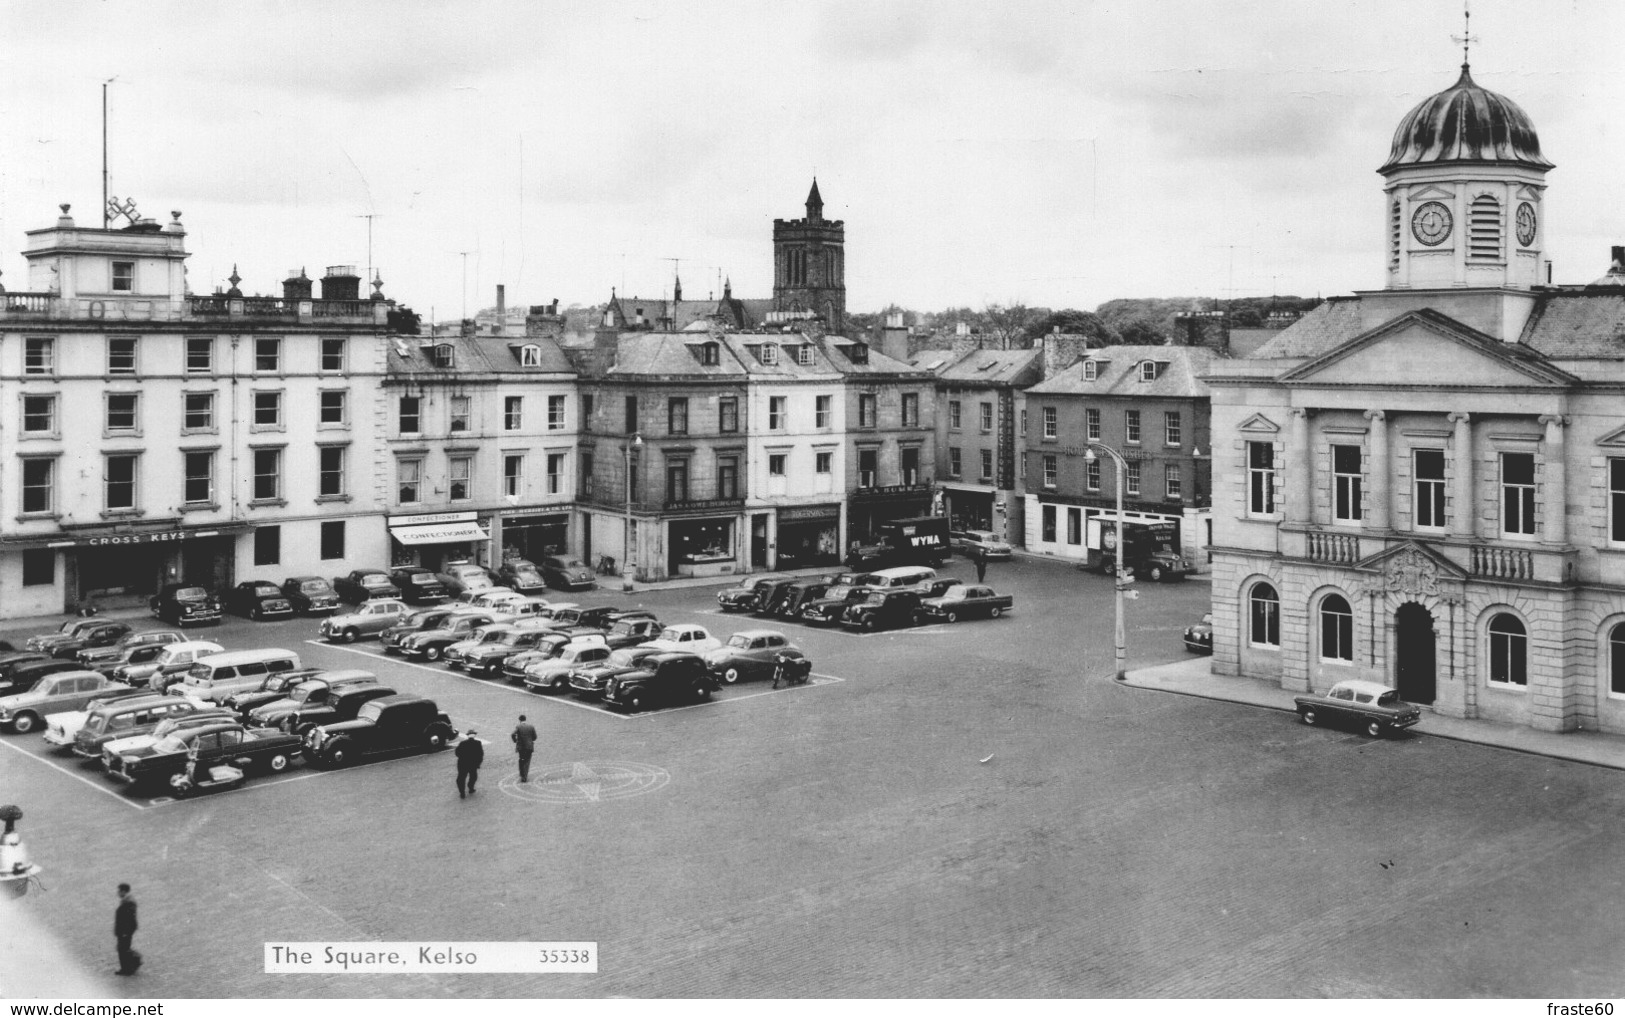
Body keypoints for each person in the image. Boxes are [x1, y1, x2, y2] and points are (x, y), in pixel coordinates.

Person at [114, 883, 141, 976]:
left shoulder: (128, 902)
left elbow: (129, 919)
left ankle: (127, 968)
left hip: (125, 931)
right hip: (124, 930)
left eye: (119, 891)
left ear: (123, 891)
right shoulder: (126, 901)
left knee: (123, 949)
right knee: (123, 948)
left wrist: (125, 932)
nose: (118, 893)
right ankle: (127, 968)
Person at [455, 729, 484, 798]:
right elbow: (480, 754)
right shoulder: (478, 743)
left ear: (467, 736)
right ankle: (471, 787)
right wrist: (478, 764)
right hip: (472, 763)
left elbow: (457, 753)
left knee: (461, 778)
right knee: (473, 776)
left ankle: (462, 792)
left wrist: (462, 757)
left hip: (462, 763)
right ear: (474, 736)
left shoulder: (462, 743)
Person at [511, 714, 538, 783]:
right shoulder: (531, 727)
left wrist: (515, 740)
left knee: (521, 760)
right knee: (527, 761)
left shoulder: (518, 726)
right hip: (529, 747)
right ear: (525, 719)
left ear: (520, 720)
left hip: (521, 747)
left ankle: (522, 773)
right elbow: (535, 737)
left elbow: (513, 734)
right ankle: (524, 776)